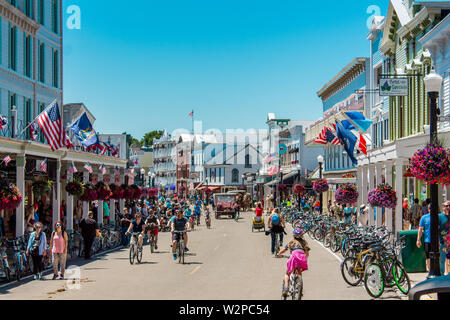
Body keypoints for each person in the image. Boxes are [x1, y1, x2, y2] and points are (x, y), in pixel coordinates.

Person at [277, 228, 310, 298]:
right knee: (299, 271)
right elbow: (307, 252)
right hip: (302, 257)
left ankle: (286, 288)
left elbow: (285, 249)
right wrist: (305, 259)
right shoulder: (304, 242)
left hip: (294, 256)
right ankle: (300, 287)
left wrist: (279, 253)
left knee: (287, 273)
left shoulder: (292, 241)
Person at [416, 204, 448, 275]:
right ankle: (430, 271)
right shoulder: (424, 217)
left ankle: (438, 271)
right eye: (430, 209)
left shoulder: (438, 217)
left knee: (439, 257)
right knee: (428, 257)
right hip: (427, 240)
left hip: (437, 240)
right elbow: (420, 229)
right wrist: (418, 239)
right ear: (428, 209)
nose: (431, 210)